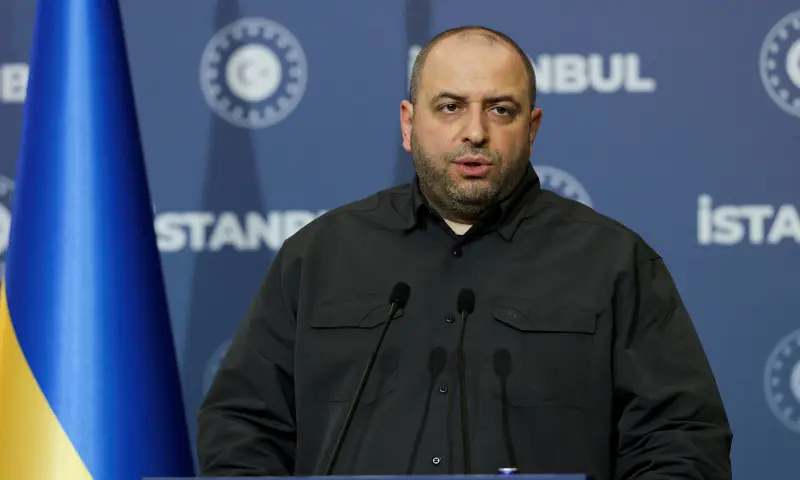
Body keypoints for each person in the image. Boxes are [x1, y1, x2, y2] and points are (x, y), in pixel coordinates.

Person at [197, 25, 733, 479]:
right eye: (450, 107)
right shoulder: (318, 256)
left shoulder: (615, 262)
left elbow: (681, 439)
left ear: (532, 128)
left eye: (500, 110)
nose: (474, 132)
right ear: (409, 124)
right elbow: (244, 427)